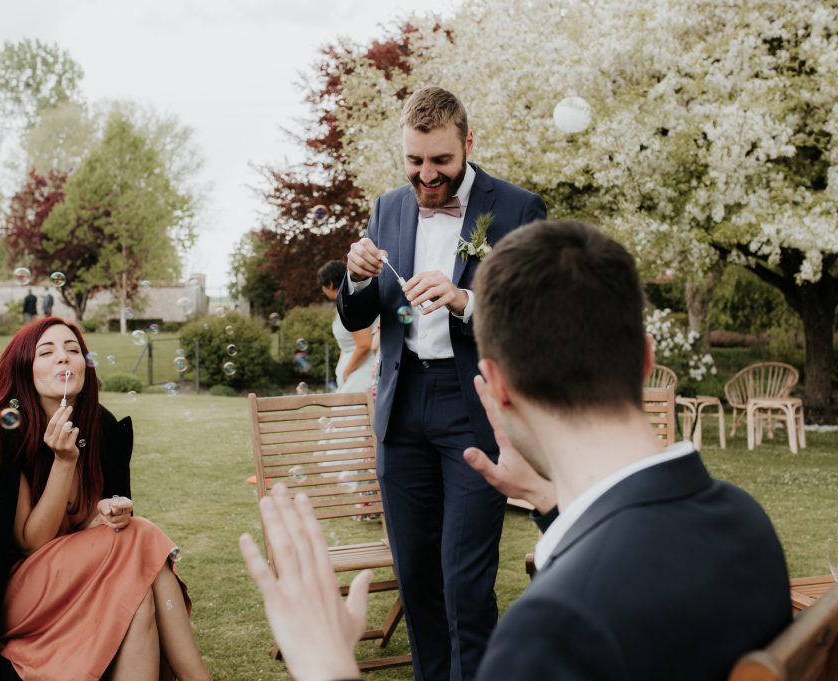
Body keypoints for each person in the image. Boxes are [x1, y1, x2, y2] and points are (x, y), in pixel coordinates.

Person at [241, 219, 792, 681]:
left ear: (495, 388)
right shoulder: (748, 523)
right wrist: (551, 505)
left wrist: (327, 666)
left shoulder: (553, 628)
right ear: (645, 360)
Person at [338, 86, 546, 680]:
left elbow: (534, 320)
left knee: (463, 581)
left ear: (468, 144)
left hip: (473, 407)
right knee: (418, 578)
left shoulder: (519, 209)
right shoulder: (388, 208)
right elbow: (362, 315)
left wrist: (464, 301)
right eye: (414, 161)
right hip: (400, 412)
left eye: (440, 162)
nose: (426, 175)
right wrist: (355, 280)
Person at [0, 317, 210, 681]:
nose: (64, 359)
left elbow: (77, 530)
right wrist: (64, 462)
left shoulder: (98, 427)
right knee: (143, 535)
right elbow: (32, 542)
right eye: (47, 352)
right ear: (26, 370)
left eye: (73, 350)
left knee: (139, 595)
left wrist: (103, 516)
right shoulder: (2, 438)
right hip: (18, 596)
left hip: (74, 580)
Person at [317, 260, 375, 394]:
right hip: (353, 370)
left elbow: (364, 344)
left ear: (330, 284)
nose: (322, 290)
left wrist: (348, 369)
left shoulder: (353, 304)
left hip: (361, 371)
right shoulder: (344, 304)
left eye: (322, 286)